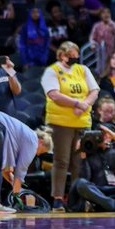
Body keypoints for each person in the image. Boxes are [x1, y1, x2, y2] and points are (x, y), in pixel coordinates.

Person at [41, 41, 99, 211]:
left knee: (78, 162)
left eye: (76, 54)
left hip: (81, 123)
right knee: (62, 161)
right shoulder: (52, 71)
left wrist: (85, 105)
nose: (75, 57)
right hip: (60, 123)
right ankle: (57, 199)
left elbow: (94, 91)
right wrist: (76, 103)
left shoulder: (83, 70)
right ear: (61, 55)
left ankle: (77, 199)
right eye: (71, 54)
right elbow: (54, 95)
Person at [0, 110, 48, 213]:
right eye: (41, 152)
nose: (38, 155)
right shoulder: (33, 141)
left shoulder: (20, 135)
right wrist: (17, 194)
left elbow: (6, 170)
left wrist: (13, 182)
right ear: (41, 142)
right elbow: (21, 171)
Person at [69, 123, 115, 212]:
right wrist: (82, 153)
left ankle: (100, 205)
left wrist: (112, 133)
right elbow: (85, 178)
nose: (105, 137)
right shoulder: (89, 153)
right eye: (102, 135)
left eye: (107, 135)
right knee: (81, 183)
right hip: (97, 190)